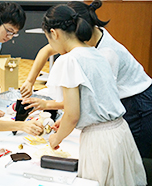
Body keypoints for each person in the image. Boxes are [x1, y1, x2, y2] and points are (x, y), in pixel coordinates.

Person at [23, 4, 146, 185]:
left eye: (48, 39)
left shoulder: (69, 60)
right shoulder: (97, 53)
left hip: (99, 140)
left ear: (54, 33)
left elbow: (73, 115)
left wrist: (56, 138)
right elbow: (92, 98)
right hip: (120, 133)